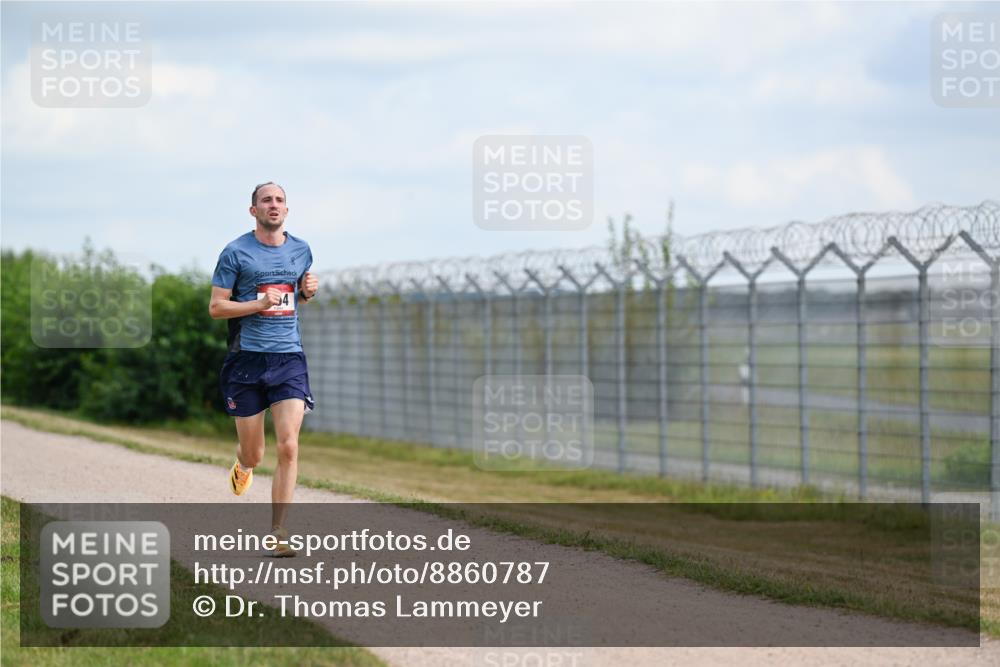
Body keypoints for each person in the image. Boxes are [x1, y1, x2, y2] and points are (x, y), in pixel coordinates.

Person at [209, 182, 319, 557]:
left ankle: (279, 532)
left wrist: (306, 291)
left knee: (289, 445)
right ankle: (243, 464)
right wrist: (255, 305)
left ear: (287, 210)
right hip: (246, 360)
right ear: (253, 210)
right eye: (266, 200)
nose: (274, 205)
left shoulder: (301, 249)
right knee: (255, 454)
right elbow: (217, 308)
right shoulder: (236, 252)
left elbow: (294, 298)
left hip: (289, 358)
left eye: (280, 200)